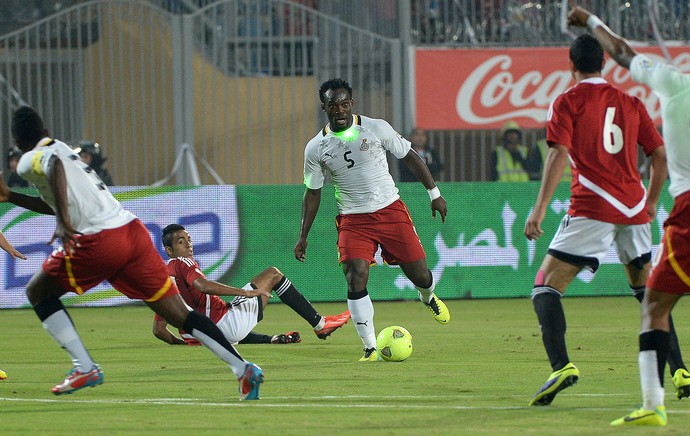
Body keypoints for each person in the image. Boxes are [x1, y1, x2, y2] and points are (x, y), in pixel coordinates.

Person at [3, 106, 264, 401]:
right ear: (46, 132)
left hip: (101, 239)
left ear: (19, 143)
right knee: (181, 315)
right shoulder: (62, 148)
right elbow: (59, 197)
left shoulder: (28, 161)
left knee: (38, 292)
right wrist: (11, 197)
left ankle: (84, 366)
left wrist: (63, 222)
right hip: (132, 232)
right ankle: (243, 369)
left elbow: (54, 169)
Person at [523, 34, 674, 408]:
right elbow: (660, 157)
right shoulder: (631, 102)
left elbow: (558, 156)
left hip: (593, 206)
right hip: (635, 210)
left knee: (545, 287)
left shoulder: (567, 101)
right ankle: (681, 371)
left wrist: (539, 209)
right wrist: (652, 201)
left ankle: (561, 366)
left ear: (571, 65)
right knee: (649, 298)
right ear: (604, 64)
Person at [569, 5, 690, 427]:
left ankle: (654, 404)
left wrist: (590, 23)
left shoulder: (674, 85)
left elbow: (620, 52)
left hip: (688, 213)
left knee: (654, 306)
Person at [293, 77, 450, 362]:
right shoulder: (315, 148)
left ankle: (427, 297)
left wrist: (434, 193)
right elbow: (312, 193)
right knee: (355, 276)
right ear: (324, 108)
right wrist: (303, 235)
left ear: (351, 104)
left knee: (421, 275)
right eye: (333, 105)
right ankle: (369, 348)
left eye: (344, 104)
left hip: (390, 211)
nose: (339, 110)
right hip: (353, 219)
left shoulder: (375, 127)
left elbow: (410, 156)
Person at [154, 224, 350, 346]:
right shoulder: (183, 263)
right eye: (181, 242)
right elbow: (202, 285)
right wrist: (244, 293)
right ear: (169, 251)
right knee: (272, 274)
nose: (189, 245)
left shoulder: (163, 281)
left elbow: (159, 330)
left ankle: (271, 339)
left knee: (233, 316)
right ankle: (320, 323)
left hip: (205, 338)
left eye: (189, 240)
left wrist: (183, 343)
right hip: (223, 326)